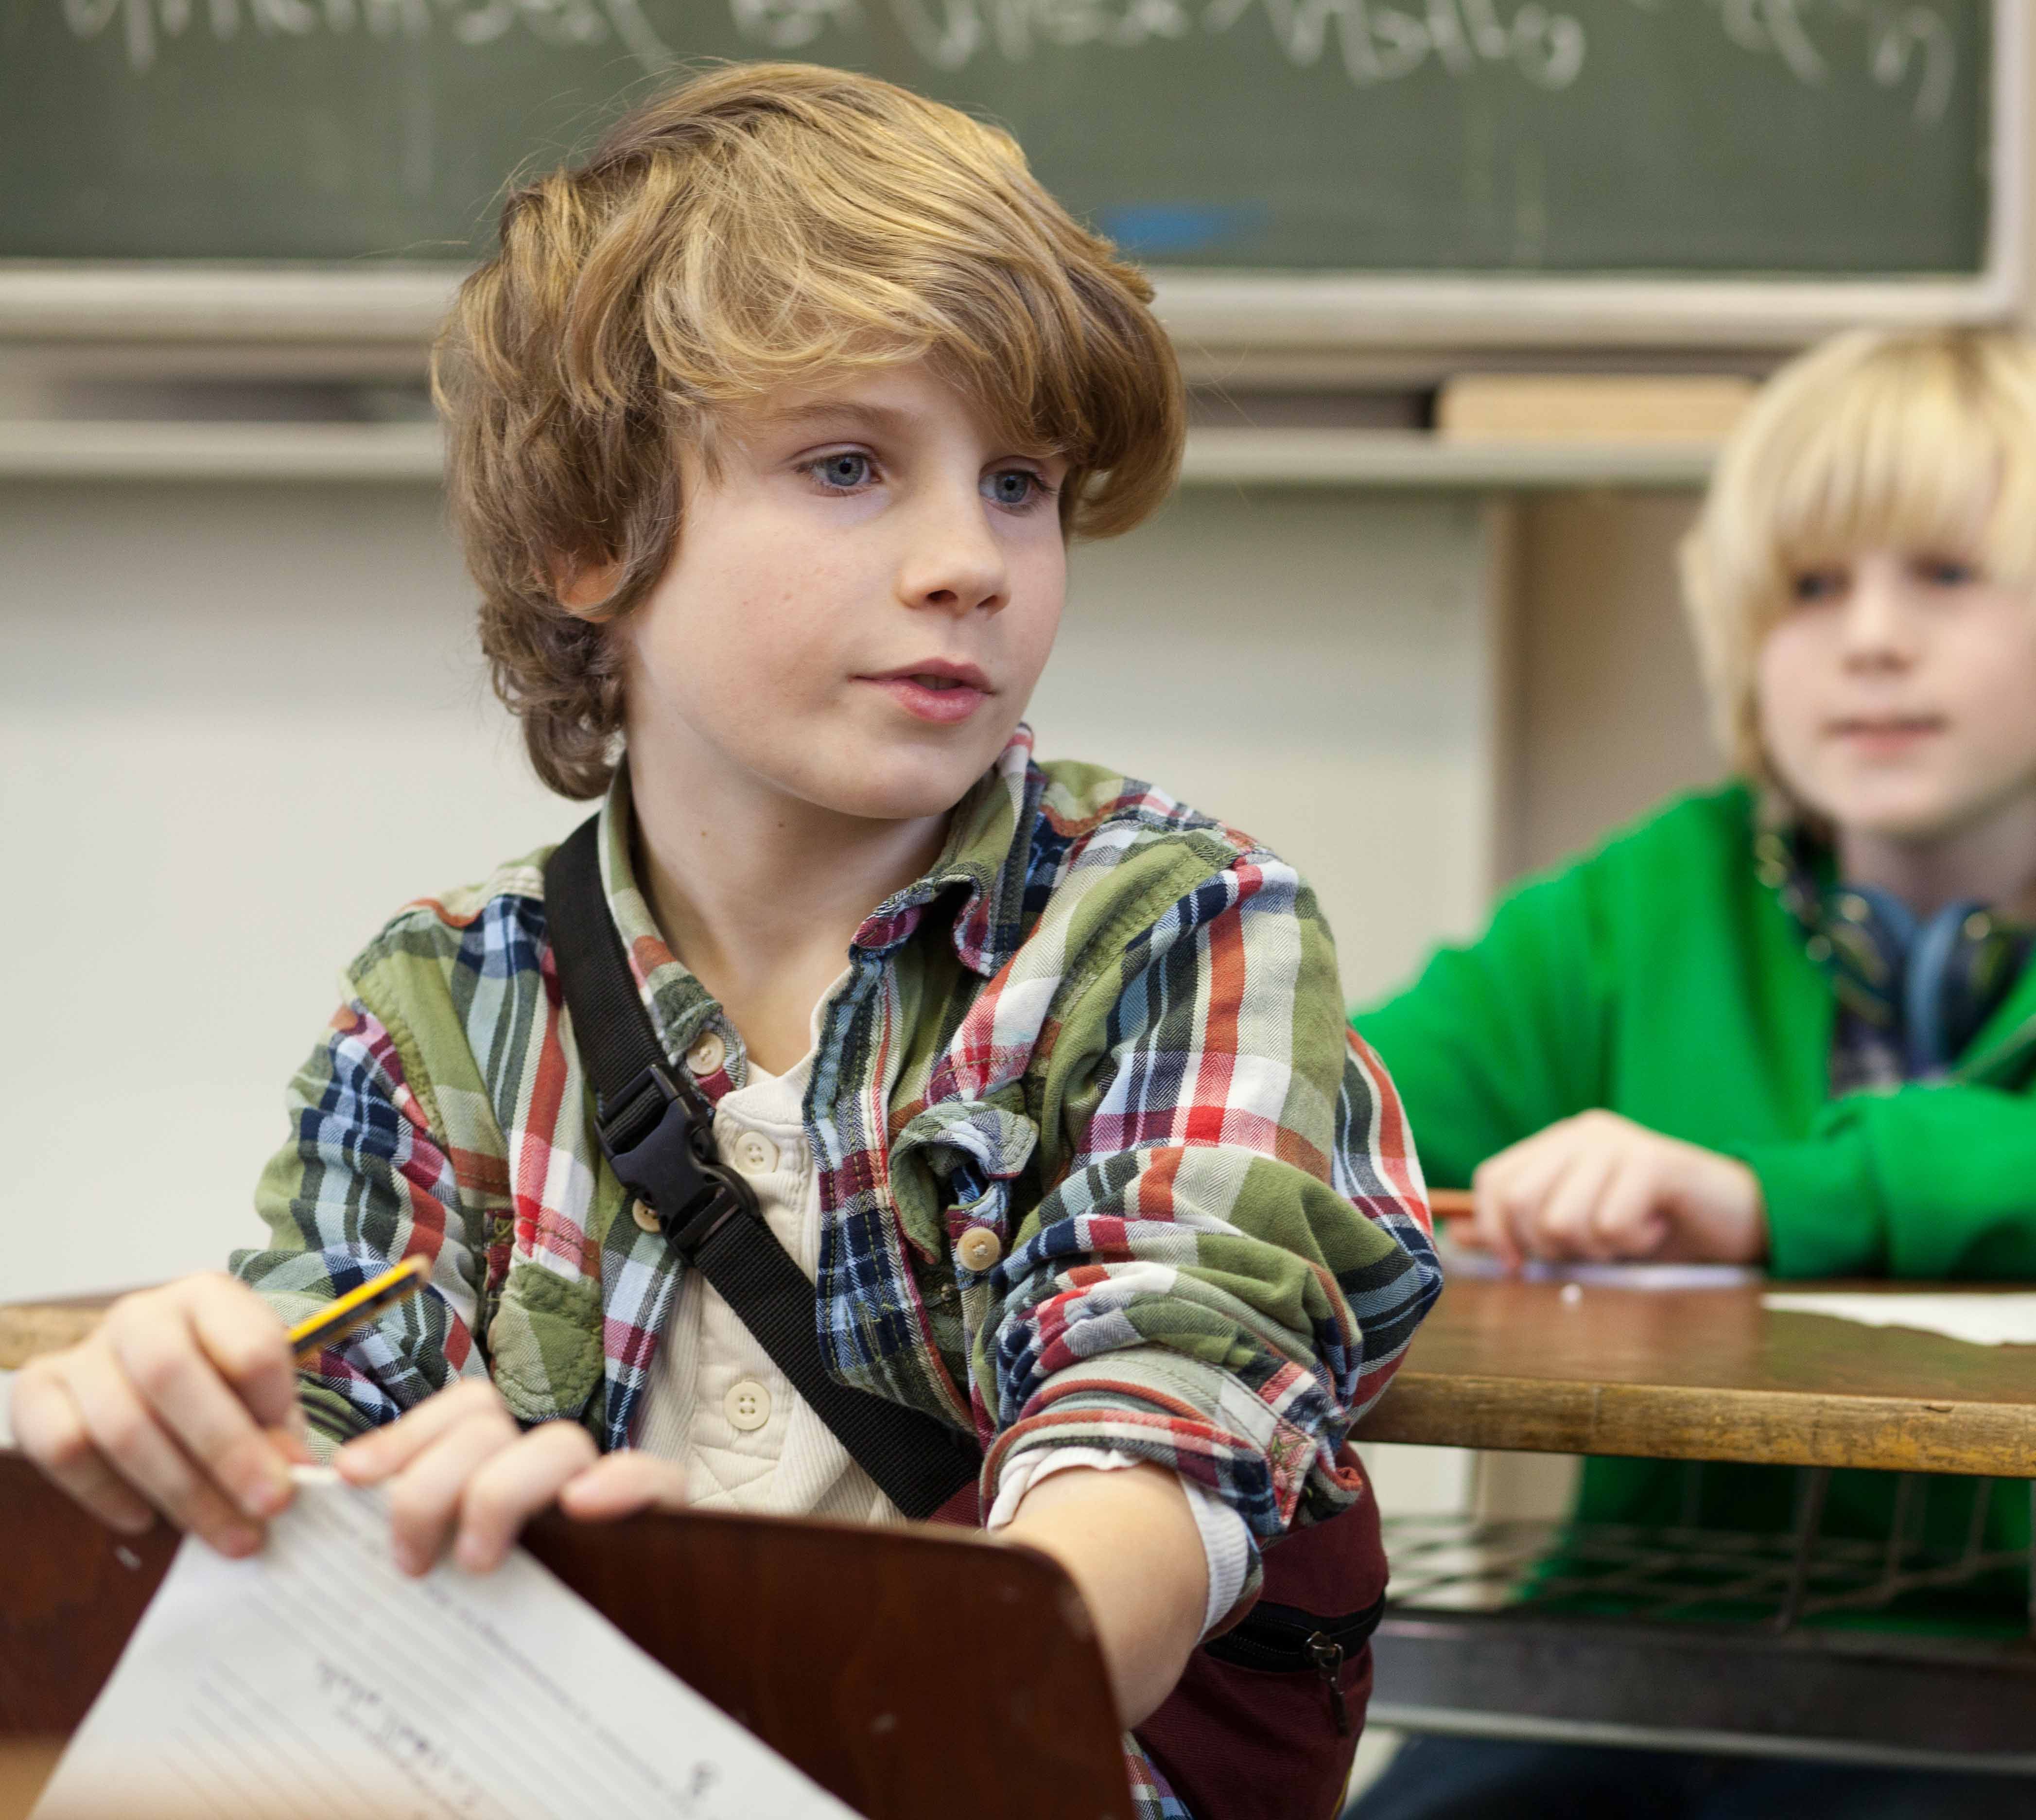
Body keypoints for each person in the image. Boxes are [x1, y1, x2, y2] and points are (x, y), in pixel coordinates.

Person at [9, 66, 1439, 1819]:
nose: (967, 563)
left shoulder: (1181, 931)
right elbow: (312, 1470)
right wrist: (191, 1472)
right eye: (847, 465)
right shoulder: (440, 1003)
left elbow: (1154, 1448)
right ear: (588, 537)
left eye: (1019, 484)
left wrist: (700, 1624)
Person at [1349, 326, 2036, 1820]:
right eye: (1809, 590)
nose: (1871, 639)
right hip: (1649, 1644)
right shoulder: (1644, 902)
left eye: (1943, 574)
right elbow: (1331, 1103)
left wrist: (1767, 1198)